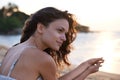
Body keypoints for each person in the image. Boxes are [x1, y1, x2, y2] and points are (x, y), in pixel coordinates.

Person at [0, 7, 104, 80]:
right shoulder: (42, 58)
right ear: (40, 28)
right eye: (59, 30)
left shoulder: (13, 50)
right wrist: (86, 72)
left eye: (65, 33)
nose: (64, 38)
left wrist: (85, 66)